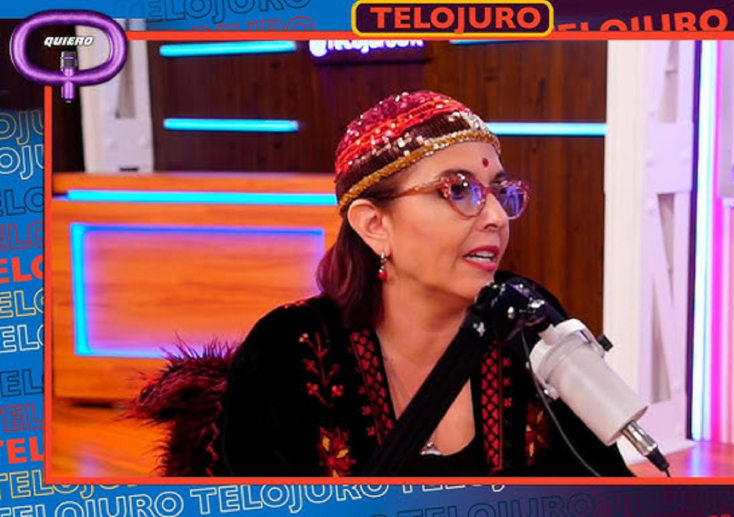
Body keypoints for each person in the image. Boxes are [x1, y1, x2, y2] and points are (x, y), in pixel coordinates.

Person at [212, 90, 634, 477]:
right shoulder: (290, 348)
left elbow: (607, 489)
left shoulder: (523, 317)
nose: (496, 218)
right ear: (374, 225)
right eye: (459, 191)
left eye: (499, 192)